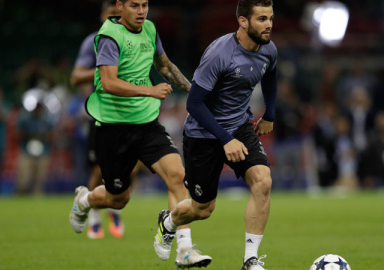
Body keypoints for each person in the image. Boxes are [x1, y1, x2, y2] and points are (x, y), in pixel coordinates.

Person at [68, 0, 212, 268]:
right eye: (134, 5)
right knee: (118, 199)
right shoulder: (109, 36)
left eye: (145, 4)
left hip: (147, 124)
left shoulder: (150, 30)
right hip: (113, 129)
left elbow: (165, 66)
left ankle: (184, 249)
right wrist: (150, 90)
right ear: (120, 7)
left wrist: (194, 93)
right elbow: (108, 83)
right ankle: (85, 199)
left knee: (178, 175)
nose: (142, 10)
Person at [153, 1, 277, 269]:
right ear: (243, 22)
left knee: (263, 182)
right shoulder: (220, 54)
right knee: (202, 209)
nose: (268, 24)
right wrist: (225, 139)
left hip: (239, 127)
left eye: (270, 18)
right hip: (203, 134)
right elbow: (194, 104)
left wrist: (270, 114)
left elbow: (270, 74)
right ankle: (169, 222)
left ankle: (250, 260)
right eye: (262, 19)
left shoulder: (269, 49)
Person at [70, 0, 125, 240]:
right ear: (102, 15)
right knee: (98, 168)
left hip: (129, 113)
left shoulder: (132, 37)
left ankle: (113, 208)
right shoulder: (94, 41)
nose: (114, 18)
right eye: (110, 14)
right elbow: (75, 77)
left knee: (128, 166)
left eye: (118, 14)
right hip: (102, 112)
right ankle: (93, 215)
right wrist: (105, 70)